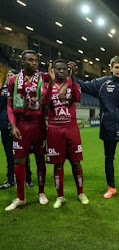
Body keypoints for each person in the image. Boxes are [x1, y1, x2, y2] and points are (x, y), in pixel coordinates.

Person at [60, 56, 119, 199]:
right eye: (116, 67)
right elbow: (82, 85)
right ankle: (111, 187)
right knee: (108, 159)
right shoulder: (102, 83)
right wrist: (72, 74)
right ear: (111, 68)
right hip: (109, 128)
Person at [5, 50, 49, 211]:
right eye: (30, 60)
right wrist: (13, 125)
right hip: (21, 124)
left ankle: (41, 193)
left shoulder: (44, 77)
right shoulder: (14, 80)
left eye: (36, 60)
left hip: (38, 124)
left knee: (40, 159)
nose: (34, 63)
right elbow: (9, 104)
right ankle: (21, 197)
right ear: (22, 63)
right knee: (19, 160)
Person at [42, 59, 89, 208]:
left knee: (76, 162)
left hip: (71, 128)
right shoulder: (47, 85)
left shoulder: (72, 83)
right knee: (58, 164)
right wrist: (51, 83)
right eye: (59, 69)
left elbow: (78, 97)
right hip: (55, 129)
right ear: (53, 70)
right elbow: (45, 101)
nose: (61, 71)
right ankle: (60, 197)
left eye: (64, 69)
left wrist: (73, 78)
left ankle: (81, 193)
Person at [0, 70, 32, 190]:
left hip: (19, 126)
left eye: (11, 75)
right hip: (5, 126)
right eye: (7, 76)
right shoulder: (2, 91)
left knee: (23, 154)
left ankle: (28, 178)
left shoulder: (21, 89)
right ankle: (10, 179)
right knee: (9, 155)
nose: (9, 77)